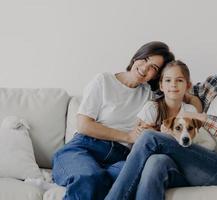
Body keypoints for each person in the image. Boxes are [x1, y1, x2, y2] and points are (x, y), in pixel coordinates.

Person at [104, 25, 217, 200]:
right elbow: (179, 90)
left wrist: (202, 118)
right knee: (156, 163)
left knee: (150, 138)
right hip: (192, 158)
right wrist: (152, 120)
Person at [51, 41, 175, 200]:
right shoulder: (103, 80)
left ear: (157, 76)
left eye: (154, 68)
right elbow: (83, 125)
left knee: (139, 178)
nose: (145, 68)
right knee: (89, 179)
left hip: (120, 158)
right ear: (137, 56)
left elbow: (180, 90)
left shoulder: (150, 96)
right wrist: (128, 136)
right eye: (145, 59)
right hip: (84, 147)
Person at [136, 59, 198, 136]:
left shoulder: (190, 111)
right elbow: (142, 140)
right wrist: (157, 134)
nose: (173, 84)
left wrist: (169, 136)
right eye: (168, 80)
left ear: (188, 86)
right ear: (161, 86)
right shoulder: (151, 108)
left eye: (179, 80)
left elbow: (192, 141)